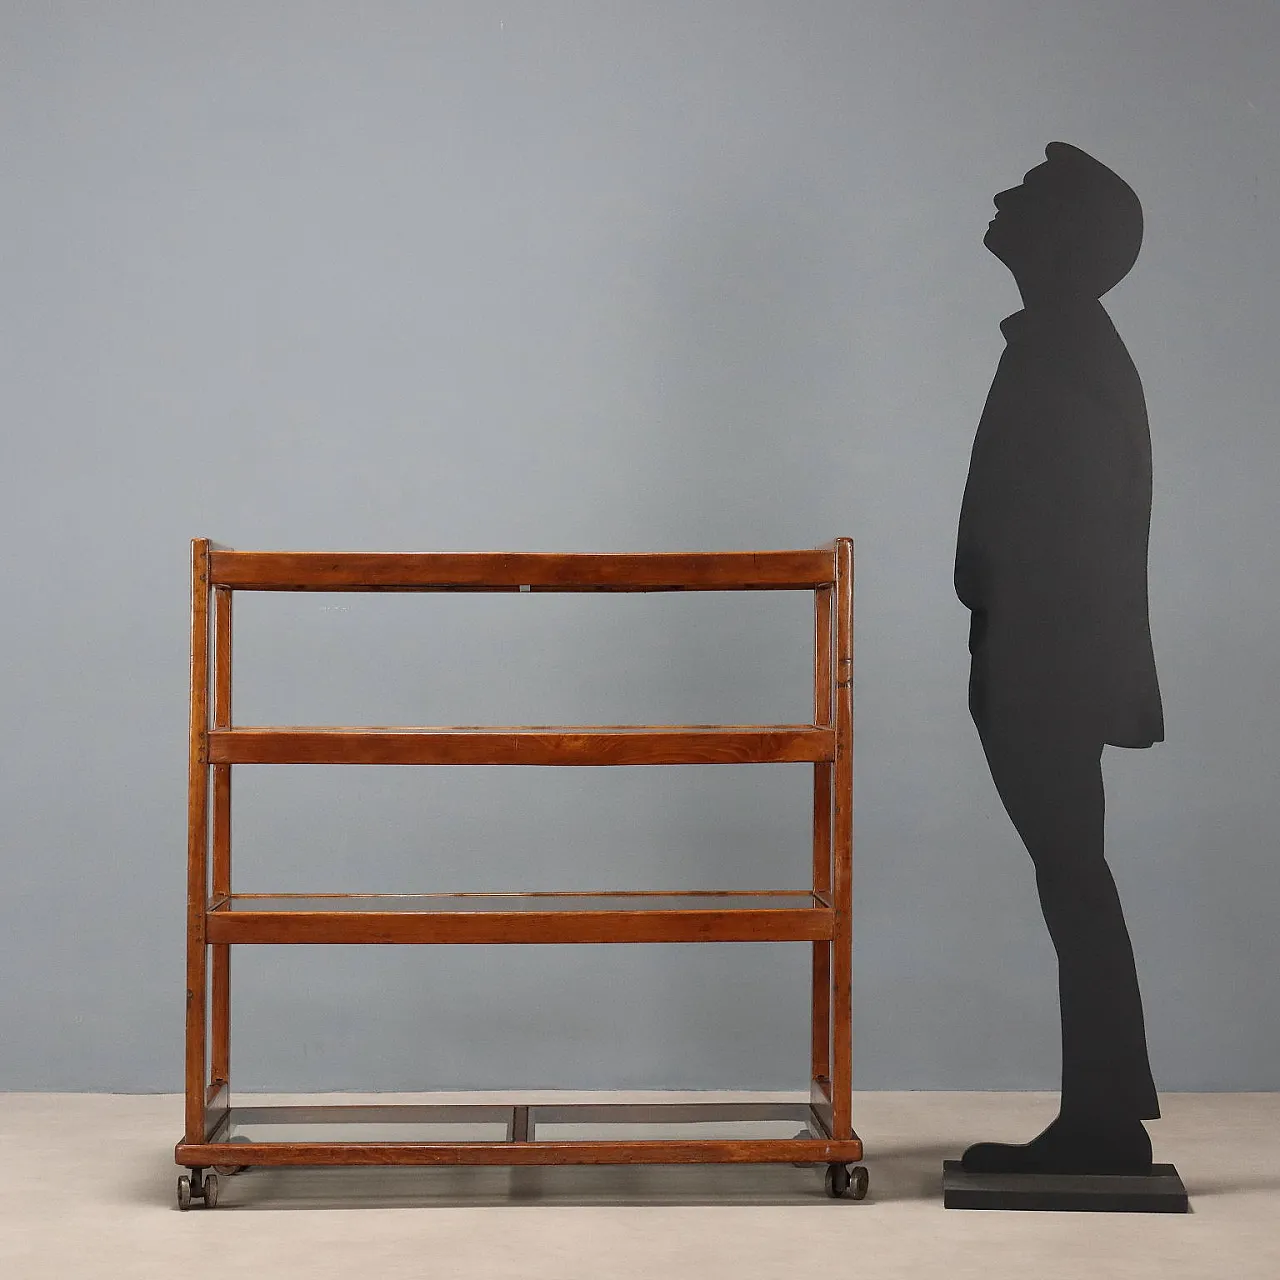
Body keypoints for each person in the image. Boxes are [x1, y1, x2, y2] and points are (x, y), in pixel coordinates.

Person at [954, 142, 1164, 1175]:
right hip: (1039, 652)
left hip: (1046, 659)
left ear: (1066, 238)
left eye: (1028, 195)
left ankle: (1103, 1114)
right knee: (1071, 873)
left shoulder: (1064, 352)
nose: (1001, 197)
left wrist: (1014, 634)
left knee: (1071, 874)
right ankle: (1105, 1105)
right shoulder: (1064, 345)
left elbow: (1075, 531)